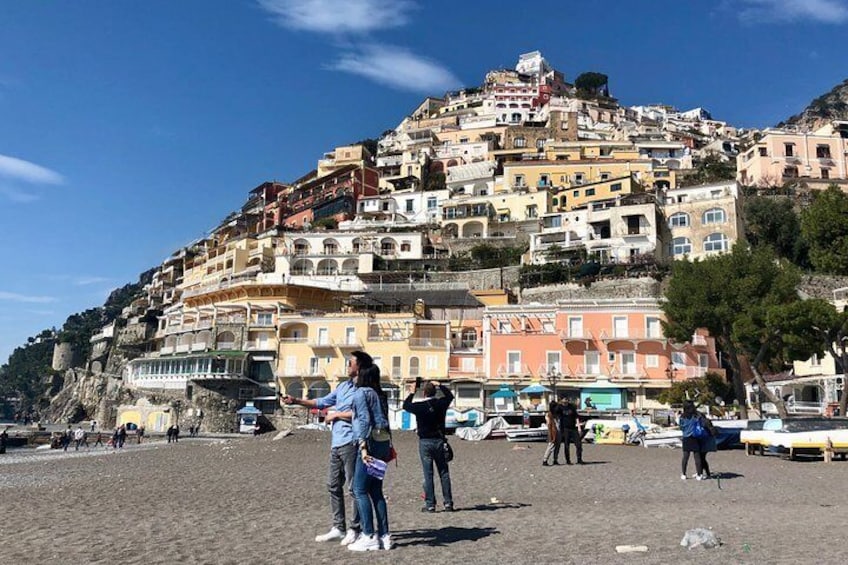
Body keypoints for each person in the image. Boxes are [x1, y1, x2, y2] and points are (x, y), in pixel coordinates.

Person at [283, 351, 372, 545]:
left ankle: (354, 528)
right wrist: (296, 400)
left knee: (354, 488)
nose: (347, 366)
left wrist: (336, 415)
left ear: (360, 366)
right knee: (333, 485)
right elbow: (321, 402)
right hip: (336, 443)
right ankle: (338, 527)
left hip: (352, 442)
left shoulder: (364, 389)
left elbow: (363, 414)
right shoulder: (342, 387)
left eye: (351, 363)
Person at [348, 364, 392, 552]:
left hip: (370, 442)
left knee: (359, 489)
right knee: (376, 491)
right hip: (383, 440)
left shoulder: (361, 393)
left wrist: (363, 447)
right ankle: (384, 536)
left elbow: (364, 420)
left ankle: (368, 535)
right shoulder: (378, 394)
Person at [402, 381, 455, 512]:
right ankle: (448, 503)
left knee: (428, 474)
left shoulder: (420, 406)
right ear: (435, 392)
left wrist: (412, 392)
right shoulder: (441, 404)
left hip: (425, 441)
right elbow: (450, 396)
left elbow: (405, 405)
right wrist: (440, 385)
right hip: (439, 440)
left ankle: (430, 504)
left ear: (424, 393)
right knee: (444, 472)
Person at [679, 400, 716, 480]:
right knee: (697, 456)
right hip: (696, 436)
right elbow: (703, 422)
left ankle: (684, 474)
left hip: (686, 437)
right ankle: (699, 475)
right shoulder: (696, 415)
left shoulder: (682, 416)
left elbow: (681, 427)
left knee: (685, 456)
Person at [559, 398, 584, 464]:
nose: (565, 400)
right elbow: (556, 416)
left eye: (566, 399)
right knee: (566, 445)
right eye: (564, 399)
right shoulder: (560, 408)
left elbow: (576, 417)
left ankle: (579, 459)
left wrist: (579, 427)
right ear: (561, 400)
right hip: (565, 429)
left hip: (573, 428)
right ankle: (568, 460)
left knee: (578, 444)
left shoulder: (572, 407)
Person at [542, 401, 562, 466]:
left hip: (558, 431)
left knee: (558, 446)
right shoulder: (549, 415)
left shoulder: (557, 414)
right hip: (553, 432)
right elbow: (549, 425)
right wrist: (551, 435)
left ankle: (555, 460)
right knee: (551, 446)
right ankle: (545, 460)